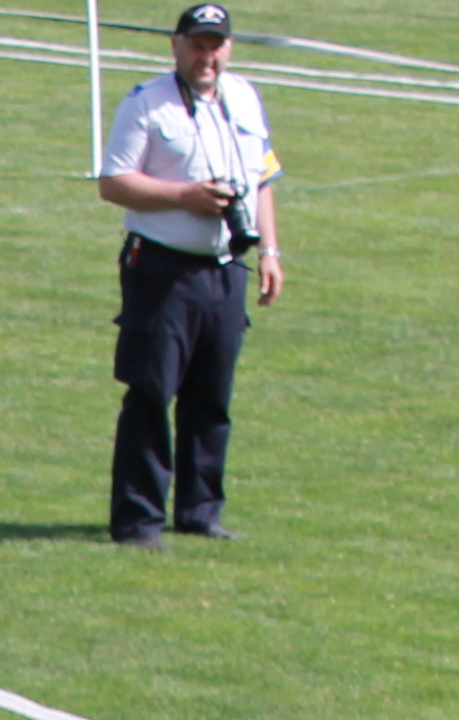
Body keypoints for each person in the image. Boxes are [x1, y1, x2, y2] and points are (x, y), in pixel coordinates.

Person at [94, 1, 281, 544]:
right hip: (161, 268)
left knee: (212, 397)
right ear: (175, 45)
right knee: (151, 392)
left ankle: (201, 512)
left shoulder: (244, 97)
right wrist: (186, 197)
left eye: (215, 46)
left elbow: (263, 179)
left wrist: (270, 251)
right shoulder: (146, 103)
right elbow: (113, 182)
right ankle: (138, 520)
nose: (207, 57)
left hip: (226, 269)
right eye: (197, 45)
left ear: (229, 48)